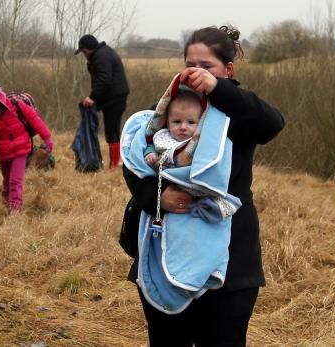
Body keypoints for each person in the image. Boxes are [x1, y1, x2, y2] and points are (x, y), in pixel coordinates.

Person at [122, 26, 285, 346]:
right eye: (190, 65)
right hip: (166, 249)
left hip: (231, 262)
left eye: (206, 66)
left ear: (227, 69)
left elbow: (273, 123)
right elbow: (135, 163)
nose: (196, 73)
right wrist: (157, 197)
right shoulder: (172, 107)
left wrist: (218, 89)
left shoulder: (238, 111)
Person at [0, 78, 54, 212]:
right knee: (6, 181)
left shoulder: (17, 105)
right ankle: (6, 200)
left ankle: (15, 209)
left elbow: (34, 120)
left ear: (0, 97)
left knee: (15, 181)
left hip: (21, 150)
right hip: (3, 154)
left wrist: (47, 137)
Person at [75, 34, 129, 168]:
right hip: (112, 98)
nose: (84, 54)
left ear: (87, 49)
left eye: (83, 52)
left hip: (114, 100)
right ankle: (113, 163)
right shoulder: (101, 54)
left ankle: (114, 165)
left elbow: (104, 80)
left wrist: (92, 97)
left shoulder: (102, 56)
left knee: (112, 131)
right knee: (112, 131)